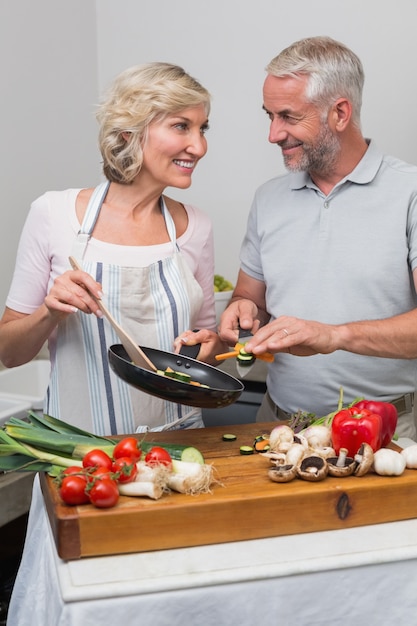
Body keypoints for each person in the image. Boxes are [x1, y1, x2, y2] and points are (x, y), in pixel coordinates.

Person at [0, 62, 227, 435]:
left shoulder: (195, 227)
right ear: (129, 133)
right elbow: (10, 352)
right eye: (181, 126)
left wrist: (209, 344)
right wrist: (49, 312)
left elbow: (208, 346)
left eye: (203, 129)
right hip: (79, 455)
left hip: (179, 447)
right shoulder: (53, 213)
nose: (199, 146)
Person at [218, 36, 417, 439]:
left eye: (288, 116)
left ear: (340, 113)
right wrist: (242, 312)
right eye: (269, 116)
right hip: (278, 424)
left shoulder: (410, 194)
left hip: (385, 432)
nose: (273, 134)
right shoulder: (269, 198)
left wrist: (335, 336)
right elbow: (249, 298)